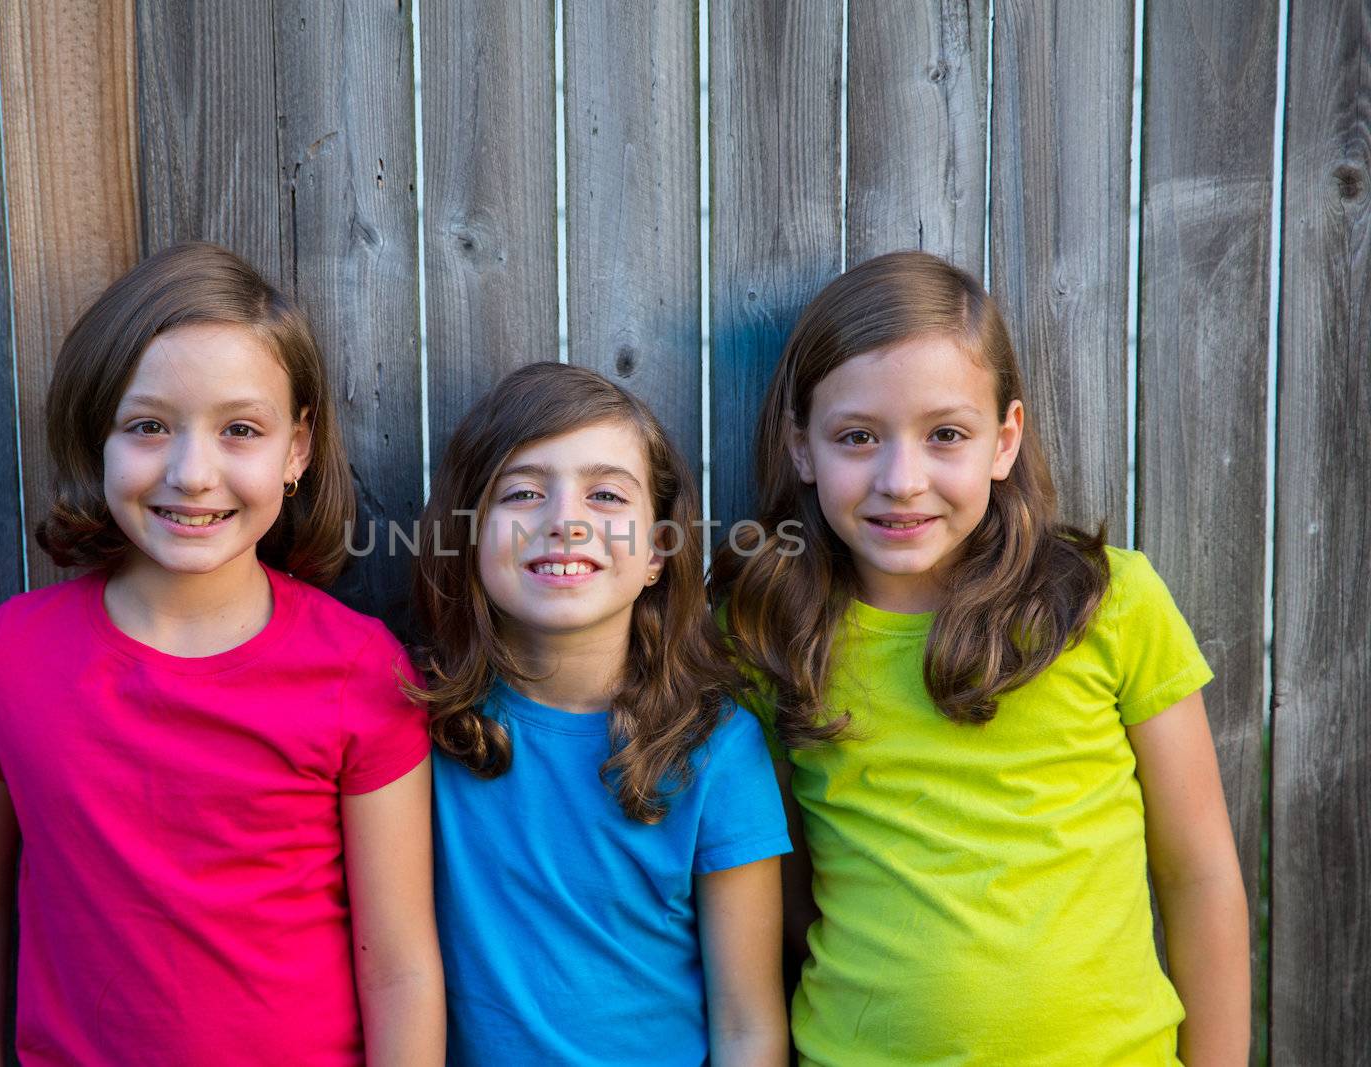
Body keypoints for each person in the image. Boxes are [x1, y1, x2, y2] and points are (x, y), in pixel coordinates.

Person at [713, 250, 1250, 1065]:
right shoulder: (768, 631)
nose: (902, 478)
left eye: (946, 435)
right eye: (857, 437)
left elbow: (1200, 872)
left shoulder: (1107, 603)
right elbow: (774, 878)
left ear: (1004, 442)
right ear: (801, 448)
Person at [0, 242, 444, 1067]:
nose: (191, 471)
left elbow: (402, 966)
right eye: (149, 426)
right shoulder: (4, 659)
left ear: (297, 450)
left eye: (240, 429)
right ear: (99, 435)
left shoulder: (359, 671)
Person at [412, 362, 791, 1065]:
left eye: (608, 495)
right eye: (523, 491)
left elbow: (747, 1023)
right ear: (469, 535)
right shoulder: (418, 722)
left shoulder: (715, 747)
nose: (564, 521)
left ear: (657, 551)